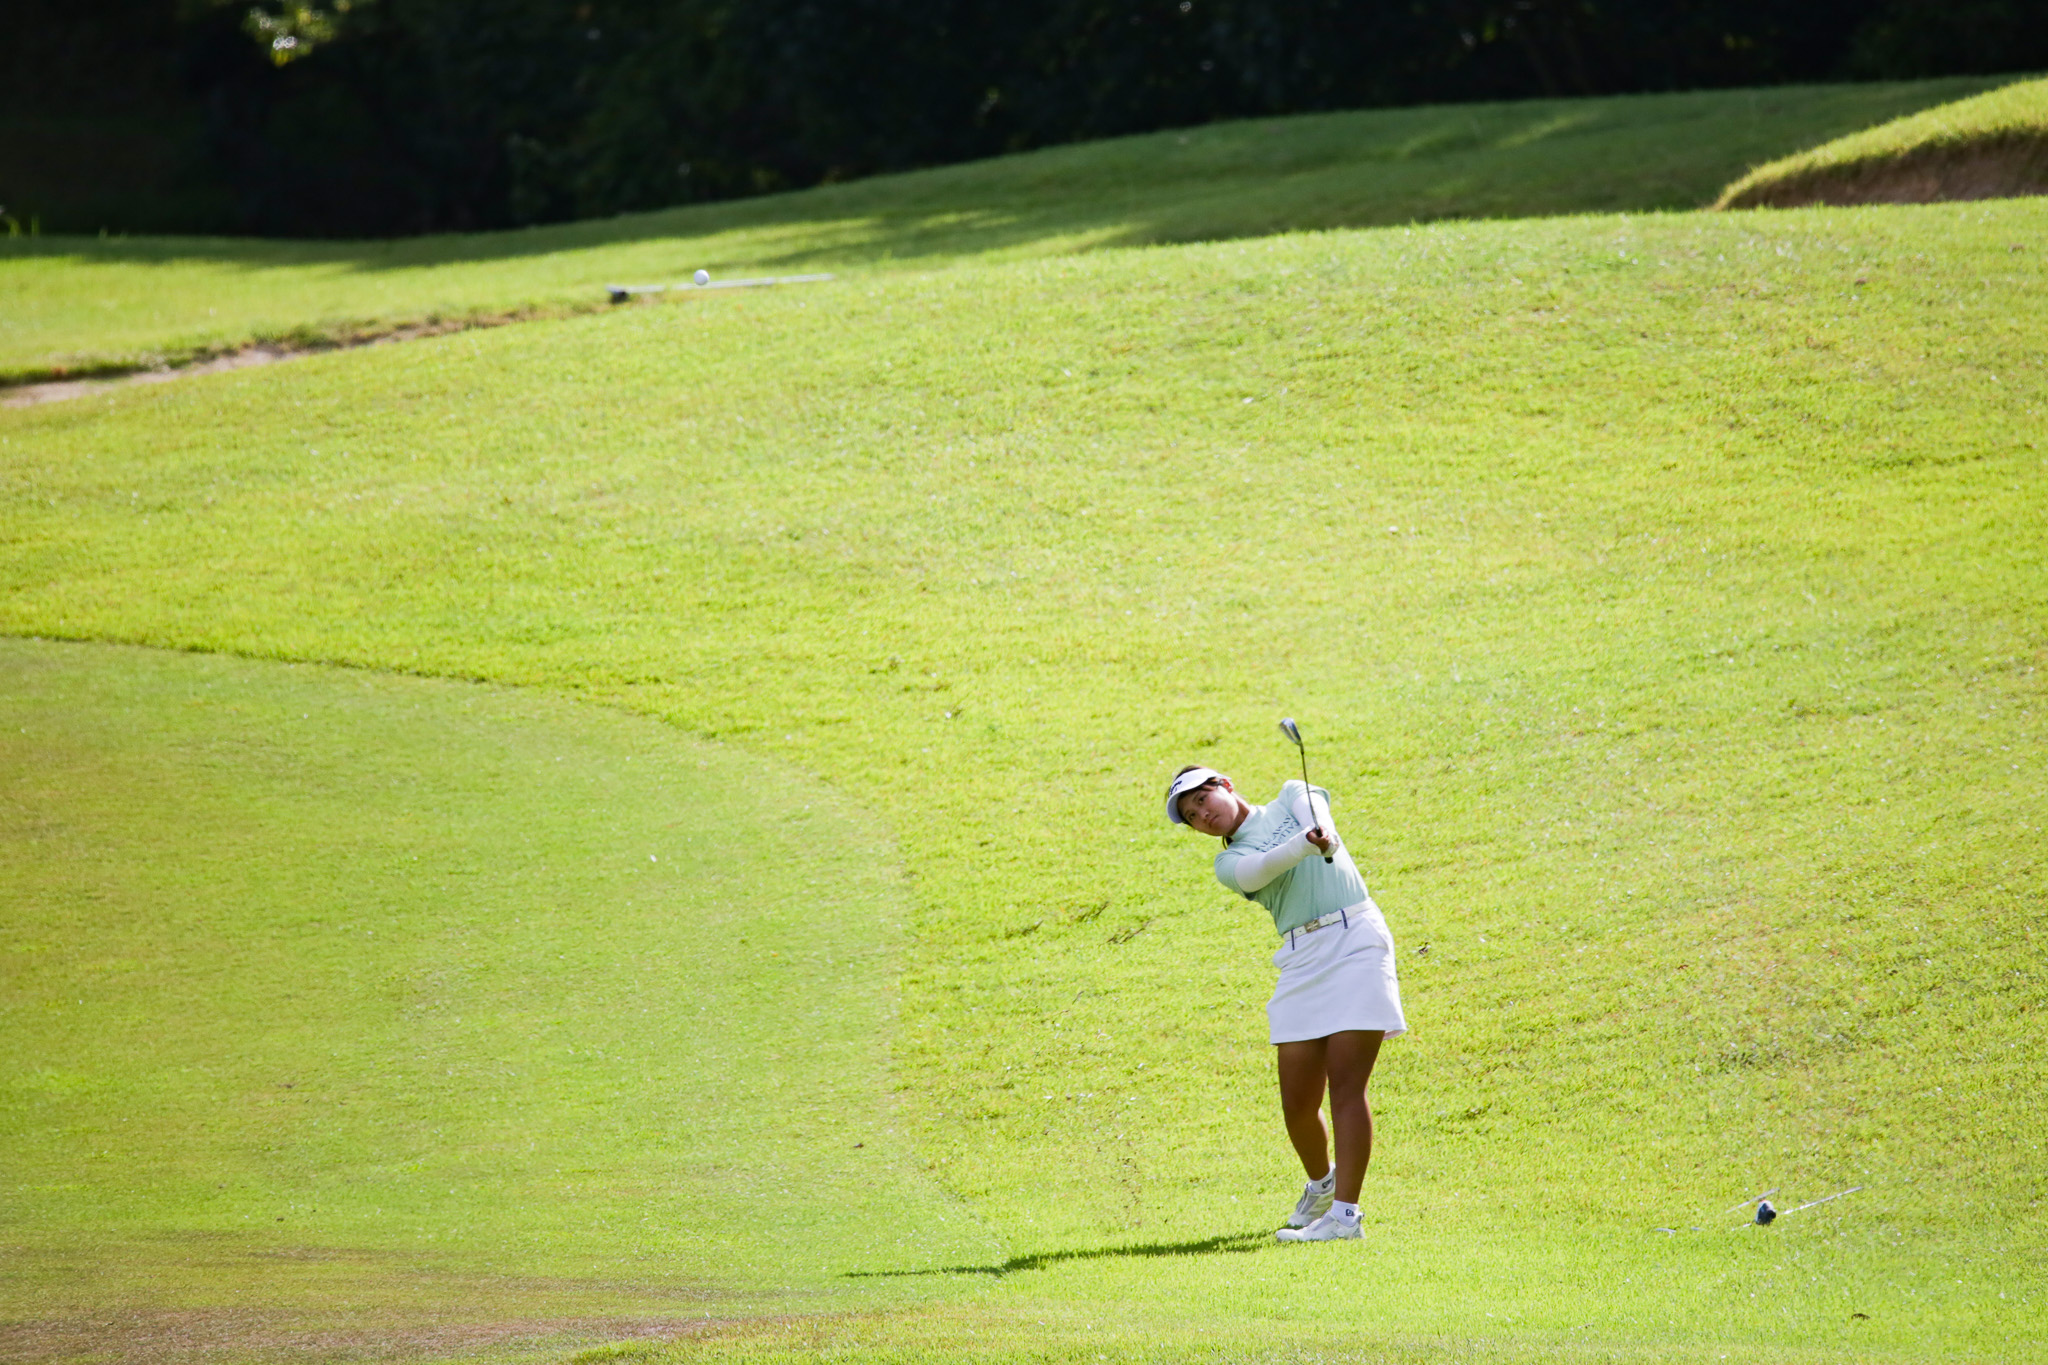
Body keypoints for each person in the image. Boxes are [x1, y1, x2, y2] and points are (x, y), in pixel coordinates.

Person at [1164, 763, 1407, 1242]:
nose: (1202, 815)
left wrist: (1327, 834)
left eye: (1202, 799)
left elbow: (1314, 807)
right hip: (1300, 957)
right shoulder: (1228, 864)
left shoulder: (1290, 794)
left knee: (1346, 1086)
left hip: (1355, 937)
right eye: (1192, 816)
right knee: (1297, 1102)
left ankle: (1344, 1217)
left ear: (1226, 785)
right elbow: (1262, 868)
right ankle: (1322, 1184)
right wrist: (1306, 842)